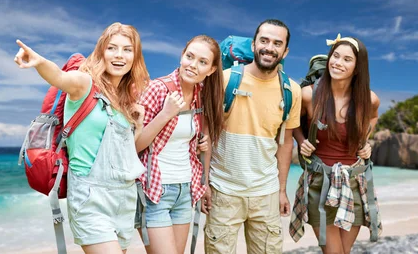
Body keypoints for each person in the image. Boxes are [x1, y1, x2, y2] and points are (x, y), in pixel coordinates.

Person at [13, 22, 149, 254]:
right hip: (90, 198)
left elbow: (127, 153)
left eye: (127, 49)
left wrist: (138, 123)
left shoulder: (125, 100)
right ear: (101, 52)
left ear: (135, 56)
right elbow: (59, 77)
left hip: (125, 198)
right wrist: (39, 62)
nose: (119, 55)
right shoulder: (84, 84)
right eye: (112, 48)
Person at [204, 19, 302, 254]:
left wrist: (281, 190)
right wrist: (203, 183)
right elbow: (206, 134)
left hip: (266, 194)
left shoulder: (291, 91)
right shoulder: (225, 80)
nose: (269, 47)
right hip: (223, 190)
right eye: (264, 40)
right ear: (254, 44)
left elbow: (286, 144)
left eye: (277, 43)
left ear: (285, 51)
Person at [291, 35, 381, 254]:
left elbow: (373, 118)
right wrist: (302, 141)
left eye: (347, 59)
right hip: (319, 183)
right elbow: (292, 124)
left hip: (355, 183)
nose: (338, 63)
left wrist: (365, 141)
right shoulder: (309, 95)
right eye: (336, 56)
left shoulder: (368, 99)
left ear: (358, 67)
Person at [135, 35, 224, 254]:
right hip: (155, 191)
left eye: (202, 62)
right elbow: (135, 145)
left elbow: (199, 143)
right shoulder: (157, 89)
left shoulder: (201, 96)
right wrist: (165, 114)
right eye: (189, 56)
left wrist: (204, 184)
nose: (193, 65)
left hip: (185, 189)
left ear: (211, 70)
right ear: (182, 55)